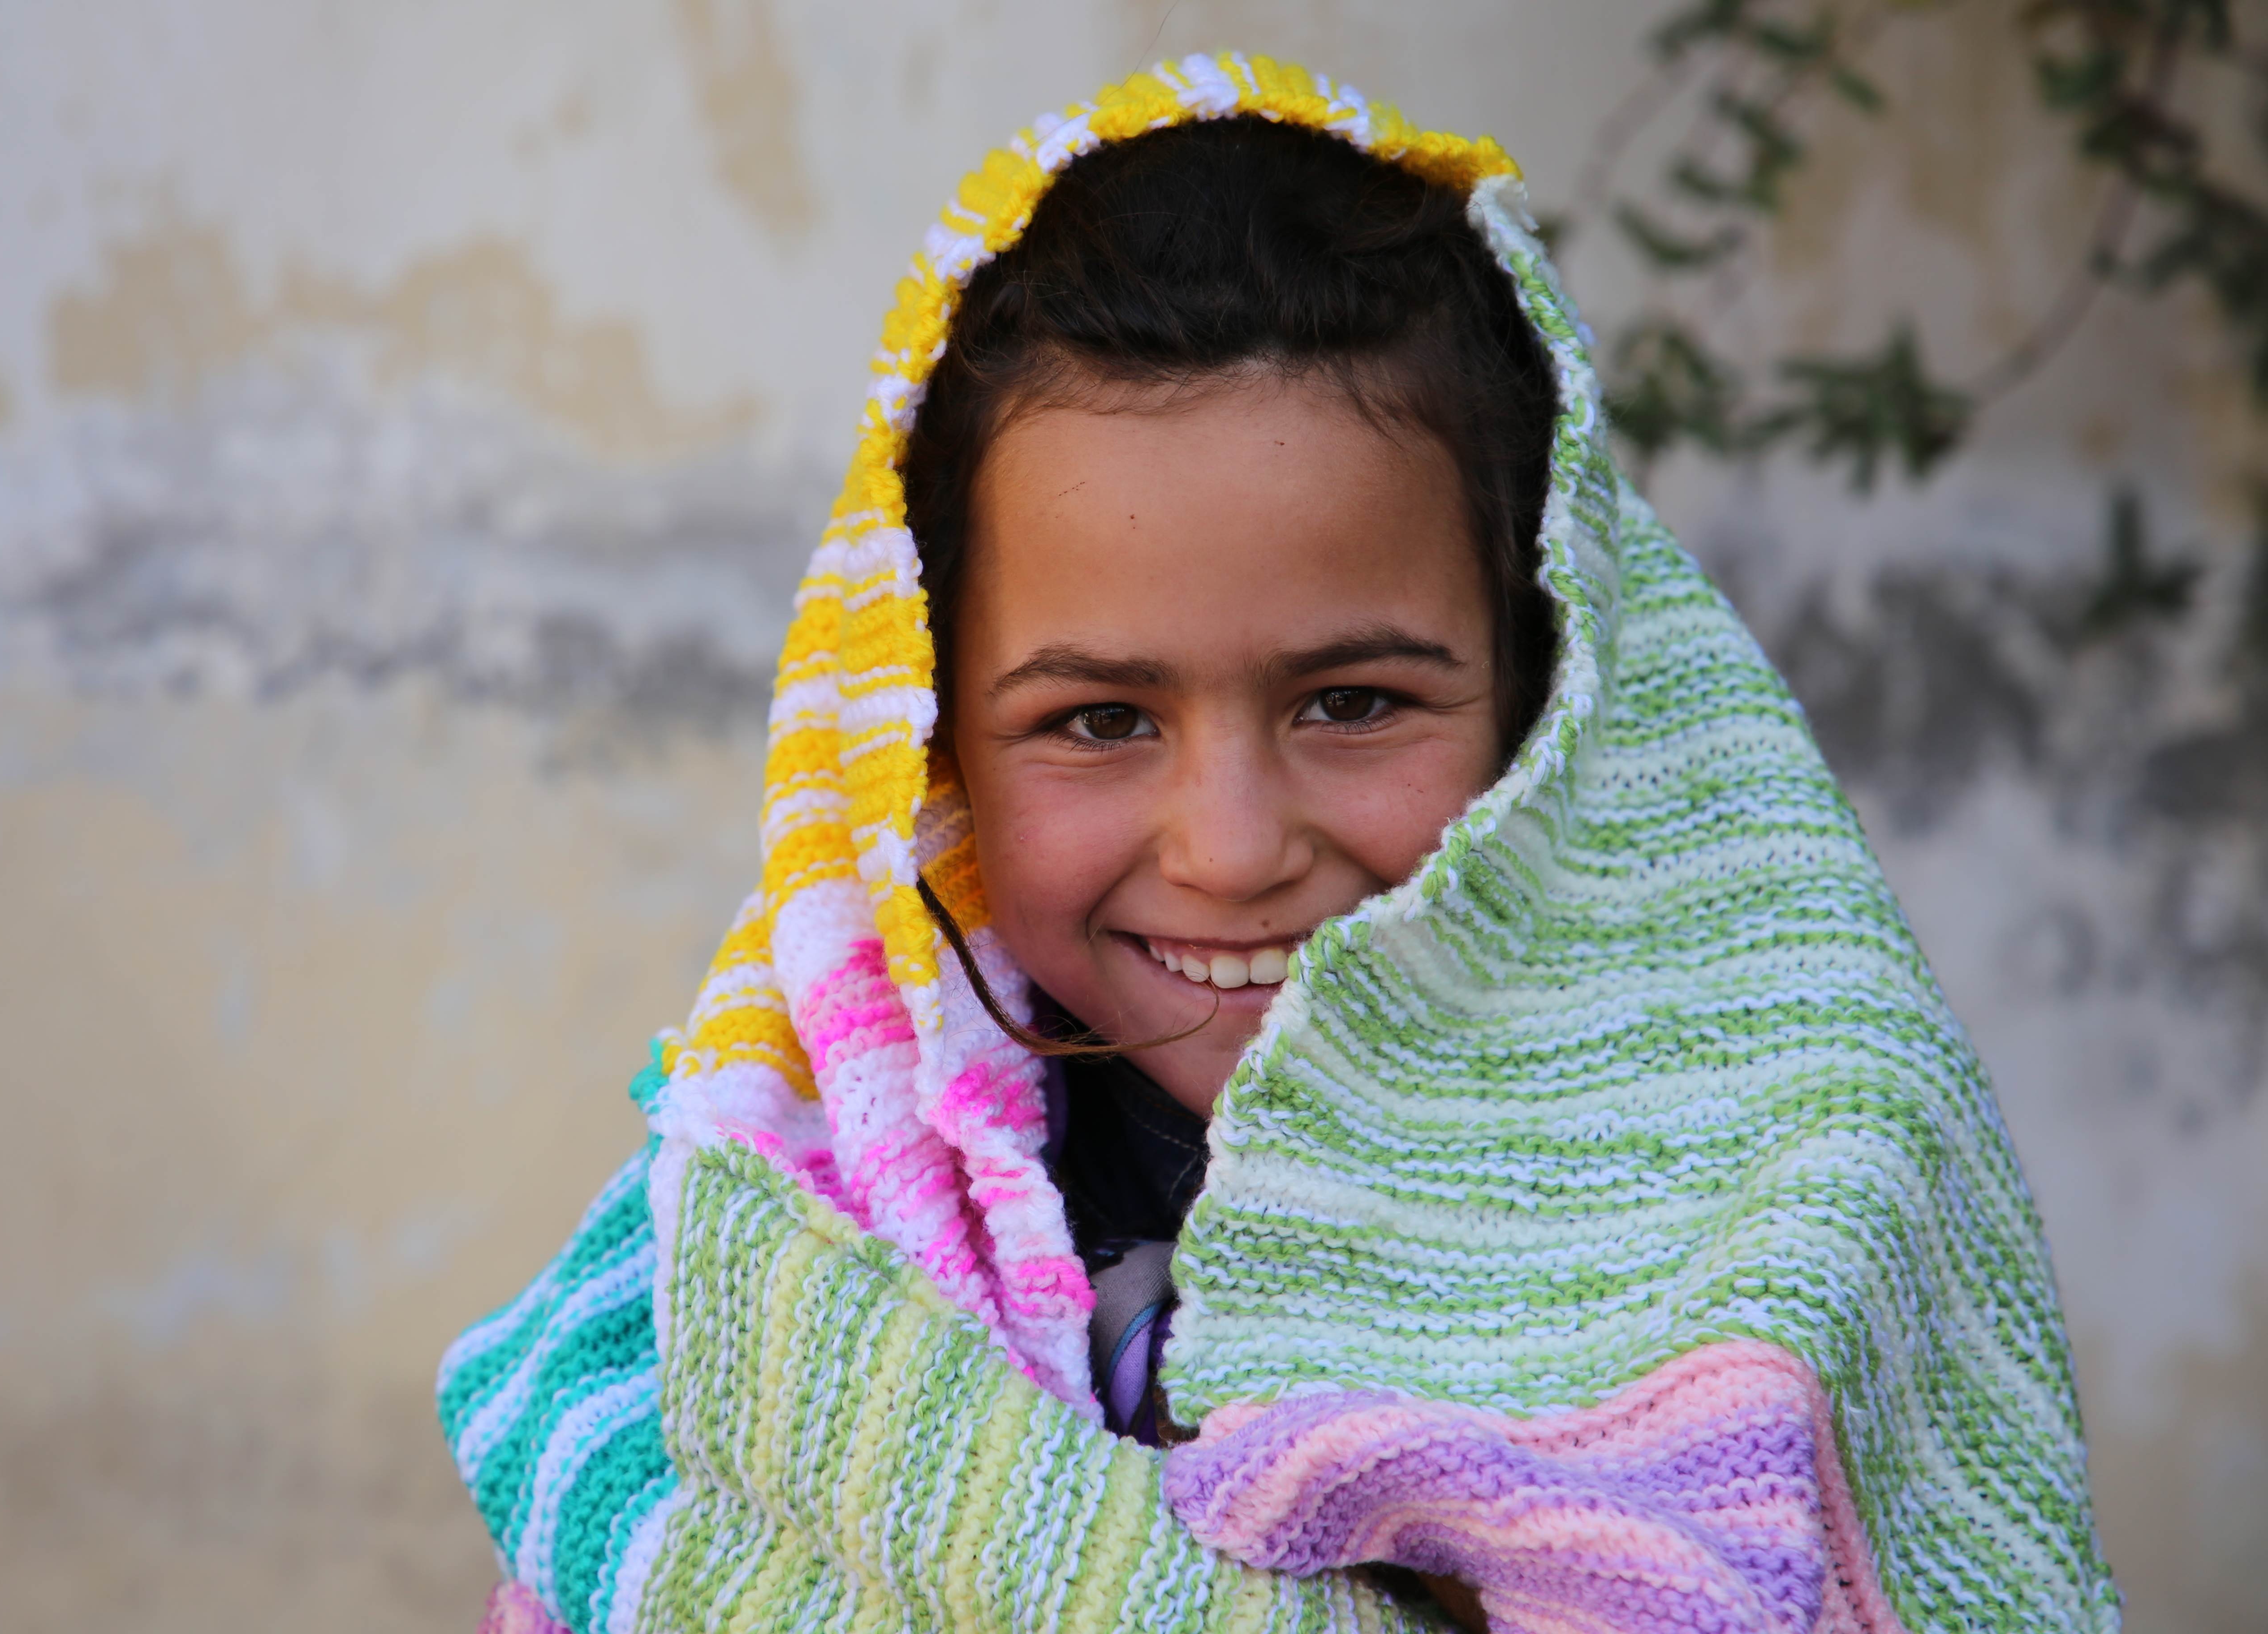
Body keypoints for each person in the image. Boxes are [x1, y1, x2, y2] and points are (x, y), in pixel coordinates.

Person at [436, 56, 2116, 1634]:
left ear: (1553, 686)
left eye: (1355, 703)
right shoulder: (789, 1225)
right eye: (1098, 722)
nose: (1231, 852)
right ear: (928, 740)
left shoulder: (1797, 1169)